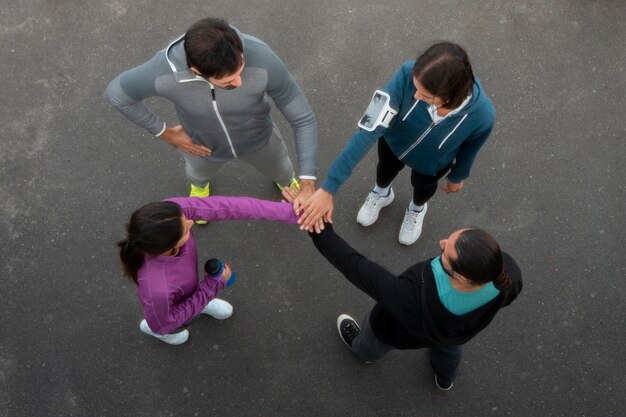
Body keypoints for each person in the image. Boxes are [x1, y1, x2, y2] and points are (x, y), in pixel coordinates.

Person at [106, 17, 318, 222]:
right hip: (202, 147)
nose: (239, 81)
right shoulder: (162, 72)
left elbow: (303, 118)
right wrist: (165, 132)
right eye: (227, 81)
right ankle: (199, 187)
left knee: (282, 169)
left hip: (260, 140)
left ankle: (285, 182)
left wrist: (308, 183)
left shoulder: (262, 57)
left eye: (241, 69)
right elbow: (117, 94)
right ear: (198, 72)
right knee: (197, 174)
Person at [297, 42, 495, 245]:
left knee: (423, 187)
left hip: (432, 163)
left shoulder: (483, 116)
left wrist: (458, 176)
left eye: (425, 96)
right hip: (393, 143)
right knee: (385, 169)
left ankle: (417, 208)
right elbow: (367, 129)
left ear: (449, 98)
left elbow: (471, 148)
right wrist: (329, 187)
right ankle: (381, 193)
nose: (416, 96)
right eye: (416, 88)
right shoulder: (406, 73)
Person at [309, 224, 522, 390]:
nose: (441, 241)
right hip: (455, 334)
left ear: (461, 276)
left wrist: (318, 228)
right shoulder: (509, 274)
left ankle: (364, 354)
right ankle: (445, 378)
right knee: (448, 349)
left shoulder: (411, 296)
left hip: (400, 334)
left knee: (373, 342)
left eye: (445, 252)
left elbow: (354, 266)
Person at [117, 196, 298, 345]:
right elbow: (164, 322)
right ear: (167, 246)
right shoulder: (157, 289)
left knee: (188, 295)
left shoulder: (171, 214)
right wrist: (212, 285)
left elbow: (230, 207)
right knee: (167, 326)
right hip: (165, 316)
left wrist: (291, 213)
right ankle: (162, 332)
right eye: (186, 230)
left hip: (184, 289)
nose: (190, 221)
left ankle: (199, 301)